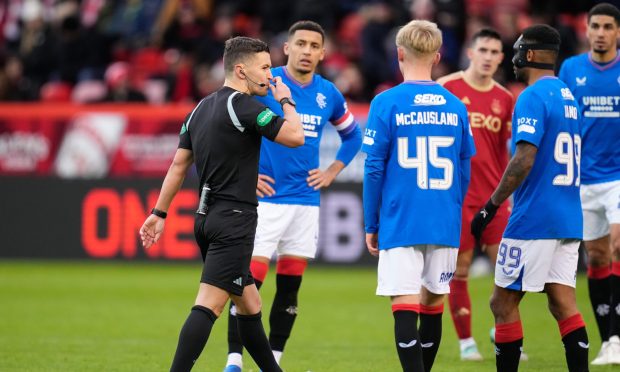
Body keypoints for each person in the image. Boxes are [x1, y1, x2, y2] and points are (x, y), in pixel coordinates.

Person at [139, 36, 304, 372]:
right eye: (265, 67)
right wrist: (286, 101)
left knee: (249, 301)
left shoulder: (199, 108)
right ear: (241, 70)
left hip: (205, 218)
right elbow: (295, 136)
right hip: (235, 221)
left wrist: (159, 213)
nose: (272, 76)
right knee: (209, 305)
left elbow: (178, 166)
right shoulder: (245, 106)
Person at [224, 20, 363, 371]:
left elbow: (353, 136)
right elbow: (227, 126)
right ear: (286, 48)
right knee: (247, 283)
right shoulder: (266, 82)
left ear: (322, 52)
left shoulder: (328, 93)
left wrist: (332, 170)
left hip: (305, 203)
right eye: (300, 43)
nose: (306, 51)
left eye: (314, 45)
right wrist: (247, 174)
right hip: (265, 202)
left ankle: (274, 360)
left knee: (289, 288)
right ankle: (234, 360)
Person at [471, 24, 589, 372]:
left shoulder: (531, 97)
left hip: (535, 217)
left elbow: (524, 158)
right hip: (568, 216)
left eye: (518, 50)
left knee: (501, 302)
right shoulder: (568, 96)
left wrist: (491, 207)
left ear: (533, 55)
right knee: (563, 303)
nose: (514, 57)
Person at [363, 20, 475, 371]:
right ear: (438, 56)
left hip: (402, 217)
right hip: (444, 218)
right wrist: (452, 208)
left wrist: (371, 222)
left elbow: (373, 168)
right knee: (433, 303)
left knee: (405, 303)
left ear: (399, 53)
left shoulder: (385, 103)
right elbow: (464, 170)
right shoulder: (456, 106)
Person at [437, 28, 514, 361]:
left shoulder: (506, 99)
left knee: (508, 269)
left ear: (501, 58)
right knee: (461, 268)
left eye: (495, 52)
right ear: (470, 52)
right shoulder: (447, 89)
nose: (488, 56)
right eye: (482, 49)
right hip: (458, 197)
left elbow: (507, 152)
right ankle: (466, 342)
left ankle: (503, 330)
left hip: (494, 197)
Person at [558, 3, 620, 365]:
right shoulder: (571, 69)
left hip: (617, 177)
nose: (599, 32)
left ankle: (616, 335)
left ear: (617, 32)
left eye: (607, 26)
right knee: (596, 256)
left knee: (617, 245)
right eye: (594, 26)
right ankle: (608, 339)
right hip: (583, 178)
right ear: (587, 29)